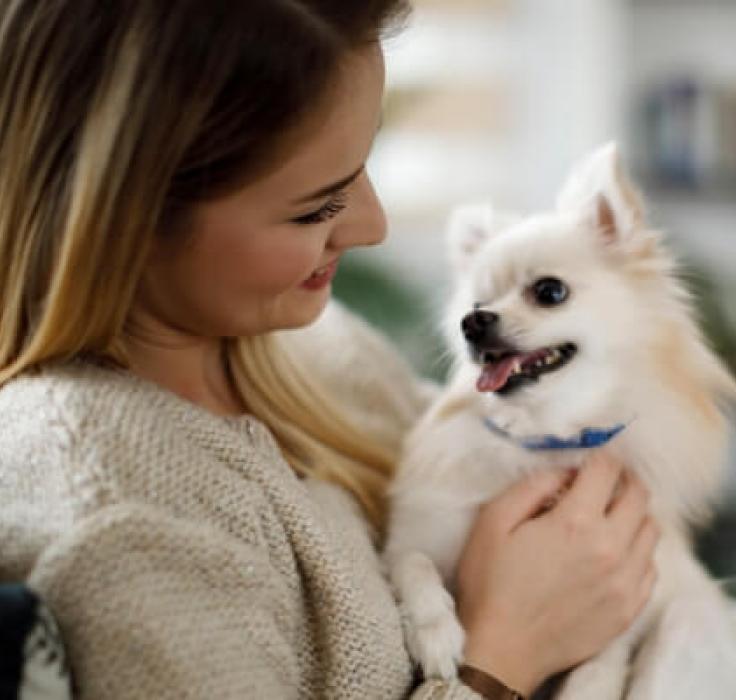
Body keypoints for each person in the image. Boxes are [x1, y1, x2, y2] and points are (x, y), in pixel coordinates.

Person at [0, 1, 659, 698]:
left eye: (363, 165)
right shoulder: (115, 516)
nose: (372, 225)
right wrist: (504, 657)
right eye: (317, 206)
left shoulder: (329, 356)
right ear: (123, 219)